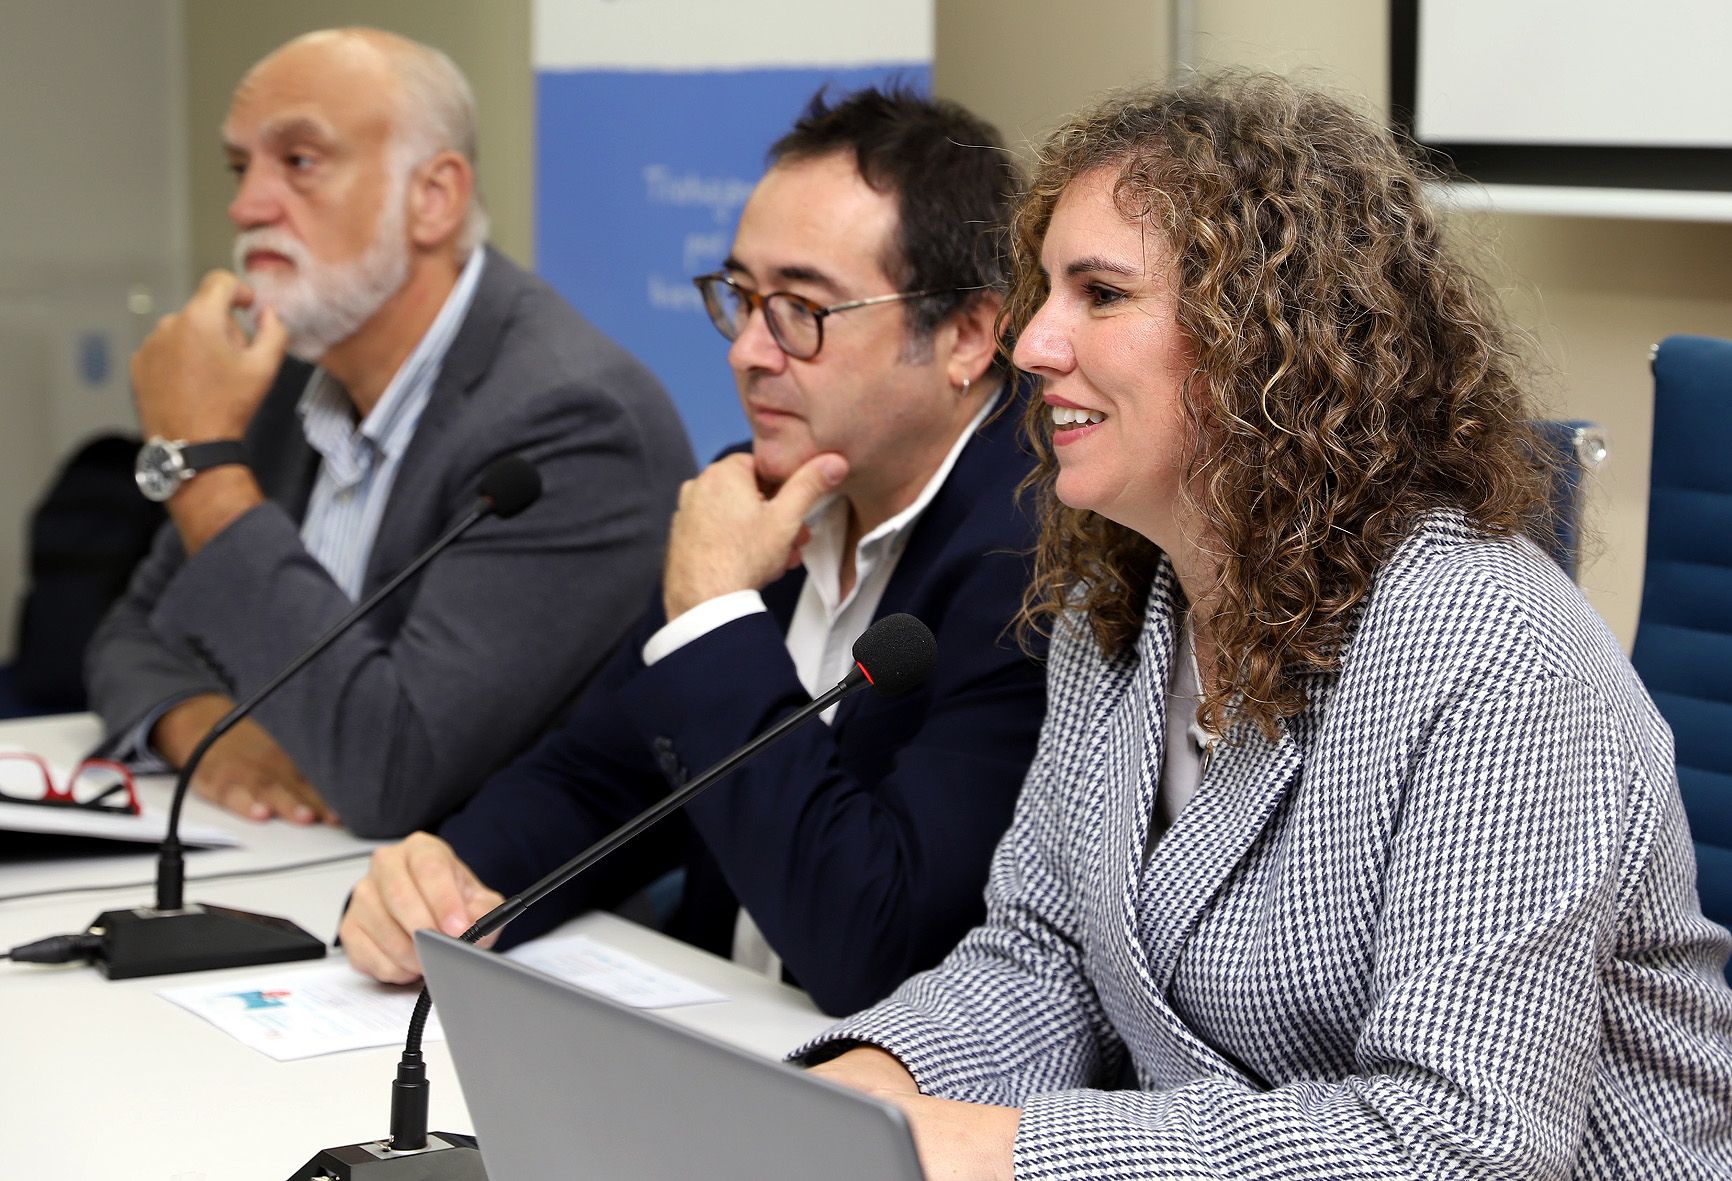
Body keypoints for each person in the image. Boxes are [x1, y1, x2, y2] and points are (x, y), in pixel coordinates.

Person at [802, 75, 1732, 1177]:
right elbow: (1045, 954)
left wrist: (1008, 1148)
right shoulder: (1126, 608)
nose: (1031, 344)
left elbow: (1458, 1146)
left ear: (1265, 343)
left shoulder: (1493, 647)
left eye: (1099, 293)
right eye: (1041, 290)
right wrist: (875, 1083)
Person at [338, 88, 1047, 1017]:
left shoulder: (1036, 557)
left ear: (966, 336)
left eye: (801, 308)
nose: (748, 351)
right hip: (720, 1040)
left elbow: (876, 942)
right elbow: (602, 774)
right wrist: (445, 883)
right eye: (743, 299)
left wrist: (714, 612)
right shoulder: (753, 495)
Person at [84, 29, 694, 837]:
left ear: (433, 197)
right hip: (292, 868)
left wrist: (201, 466)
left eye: (298, 161)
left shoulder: (572, 421)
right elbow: (129, 636)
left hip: (503, 929)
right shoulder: (290, 374)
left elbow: (391, 771)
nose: (245, 206)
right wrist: (205, 729)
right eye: (241, 167)